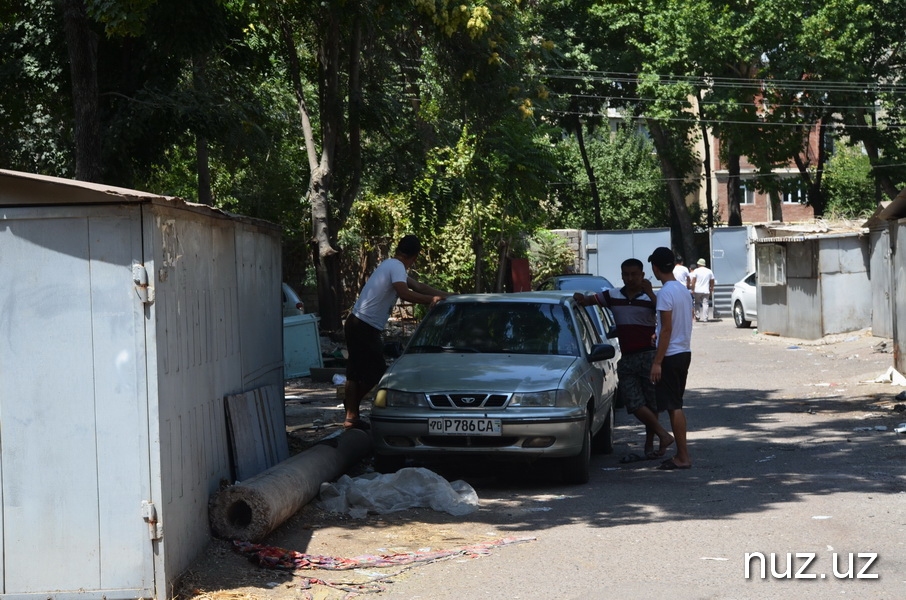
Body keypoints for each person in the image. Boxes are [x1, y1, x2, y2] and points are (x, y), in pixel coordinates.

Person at [343, 235, 452, 430]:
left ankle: (351, 416)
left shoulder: (391, 264)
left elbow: (418, 286)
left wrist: (446, 296)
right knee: (376, 372)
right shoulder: (396, 267)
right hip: (363, 325)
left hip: (357, 323)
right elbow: (404, 292)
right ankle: (351, 408)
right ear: (415, 257)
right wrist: (430, 300)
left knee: (355, 372)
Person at [574, 259, 673, 462]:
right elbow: (590, 300)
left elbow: (663, 315)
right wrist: (580, 298)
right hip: (627, 357)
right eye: (626, 274)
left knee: (651, 403)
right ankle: (663, 435)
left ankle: (650, 445)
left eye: (634, 274)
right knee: (634, 403)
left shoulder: (651, 297)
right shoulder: (613, 295)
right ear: (621, 275)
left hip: (648, 356)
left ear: (642, 275)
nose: (630, 278)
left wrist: (652, 294)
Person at [647, 247, 693, 470]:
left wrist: (657, 361)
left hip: (671, 355)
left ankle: (682, 457)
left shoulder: (665, 292)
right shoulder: (683, 290)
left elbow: (666, 329)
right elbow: (670, 326)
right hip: (683, 351)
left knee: (674, 406)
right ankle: (680, 454)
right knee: (675, 403)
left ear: (655, 267)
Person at [690, 257, 715, 322]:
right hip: (706, 290)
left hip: (697, 290)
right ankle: (705, 318)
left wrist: (692, 289)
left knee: (697, 303)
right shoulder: (709, 271)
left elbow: (693, 281)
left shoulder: (696, 271)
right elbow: (712, 280)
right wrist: (711, 288)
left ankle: (697, 316)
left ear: (699, 264)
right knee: (705, 304)